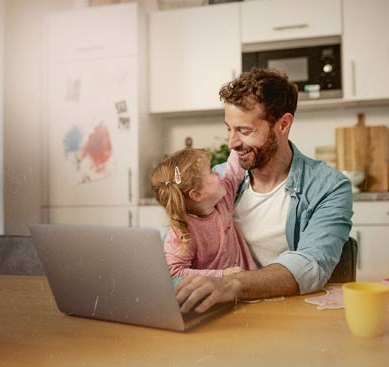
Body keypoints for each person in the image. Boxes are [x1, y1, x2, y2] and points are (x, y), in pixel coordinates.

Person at [175, 68, 353, 314]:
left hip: (291, 318)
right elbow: (179, 247)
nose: (232, 143)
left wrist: (230, 283)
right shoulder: (216, 182)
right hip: (222, 315)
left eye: (245, 131)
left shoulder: (329, 186)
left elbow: (311, 265)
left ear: (283, 124)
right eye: (229, 128)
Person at [151, 148, 257, 280]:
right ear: (196, 194)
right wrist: (221, 275)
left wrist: (240, 141)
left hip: (246, 287)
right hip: (213, 297)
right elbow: (173, 272)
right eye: (211, 171)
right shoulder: (183, 232)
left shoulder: (222, 201)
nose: (218, 173)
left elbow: (233, 169)